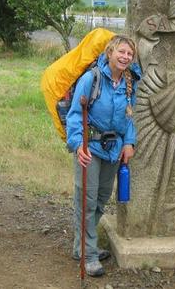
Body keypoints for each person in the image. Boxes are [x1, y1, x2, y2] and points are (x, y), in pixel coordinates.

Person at [66, 35, 141, 276]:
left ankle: (81, 246)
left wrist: (129, 142)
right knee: (86, 202)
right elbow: (76, 114)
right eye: (121, 52)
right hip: (90, 149)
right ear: (110, 53)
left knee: (99, 200)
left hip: (113, 150)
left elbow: (130, 115)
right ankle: (88, 255)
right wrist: (79, 145)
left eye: (129, 54)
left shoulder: (130, 83)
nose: (125, 57)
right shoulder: (92, 78)